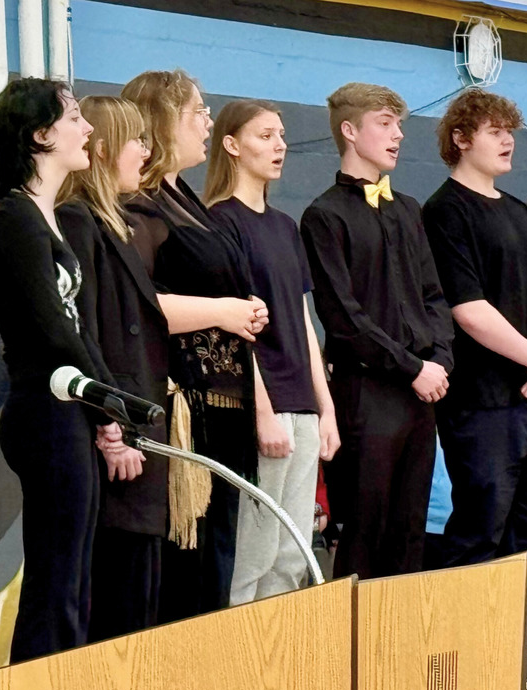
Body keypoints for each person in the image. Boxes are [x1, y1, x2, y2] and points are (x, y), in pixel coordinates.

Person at [421, 89, 527, 690]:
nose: (507, 139)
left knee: (525, 537)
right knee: (479, 531)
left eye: (510, 129)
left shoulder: (521, 211)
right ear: (462, 139)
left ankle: (518, 654)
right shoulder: (446, 210)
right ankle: (460, 660)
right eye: (493, 130)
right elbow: (469, 311)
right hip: (483, 405)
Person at [0, 78, 141, 662]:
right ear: (42, 134)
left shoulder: (43, 217)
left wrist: (108, 409)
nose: (89, 128)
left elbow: (77, 330)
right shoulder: (17, 219)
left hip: (69, 412)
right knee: (55, 582)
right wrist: (110, 406)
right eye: (75, 117)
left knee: (75, 576)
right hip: (43, 414)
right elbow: (54, 330)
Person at [121, 70, 268, 621]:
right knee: (193, 562)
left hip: (224, 401)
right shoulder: (141, 205)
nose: (207, 122)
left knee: (220, 559)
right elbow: (138, 303)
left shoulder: (185, 197)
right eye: (197, 113)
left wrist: (244, 310)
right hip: (188, 406)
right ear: (162, 122)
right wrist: (225, 311)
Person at [300, 82, 454, 579]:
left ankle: (400, 651)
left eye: (399, 125)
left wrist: (441, 360)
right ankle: (355, 652)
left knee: (412, 529)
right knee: (365, 528)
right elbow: (344, 320)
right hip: (368, 392)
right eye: (384, 123)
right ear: (350, 131)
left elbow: (434, 295)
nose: (398, 135)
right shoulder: (324, 216)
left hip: (421, 393)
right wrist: (413, 367)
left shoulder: (408, 208)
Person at [204, 99, 340, 603]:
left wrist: (324, 408)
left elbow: (302, 321)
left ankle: (277, 671)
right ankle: (236, 668)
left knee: (291, 554)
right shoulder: (221, 222)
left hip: (301, 405)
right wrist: (262, 411)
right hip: (265, 404)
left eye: (281, 135)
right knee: (253, 554)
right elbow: (235, 328)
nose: (279, 145)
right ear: (233, 145)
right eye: (265, 135)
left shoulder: (285, 225)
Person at [57, 95, 170, 640]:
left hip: (136, 428)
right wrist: (116, 430)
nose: (145, 154)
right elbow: (88, 334)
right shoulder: (79, 222)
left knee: (139, 595)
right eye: (136, 141)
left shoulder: (120, 223)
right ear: (103, 150)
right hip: (115, 438)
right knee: (118, 603)